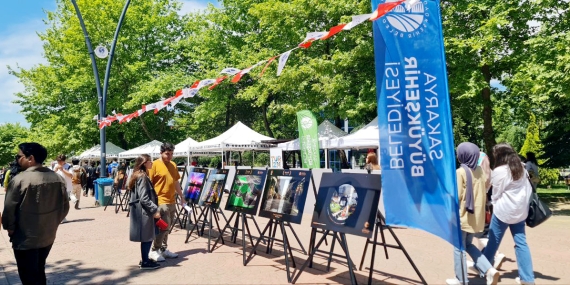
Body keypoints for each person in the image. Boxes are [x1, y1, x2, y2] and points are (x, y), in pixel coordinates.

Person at [2, 142, 70, 284]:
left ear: (30, 158)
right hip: (47, 236)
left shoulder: (20, 180)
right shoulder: (57, 178)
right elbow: (65, 208)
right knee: (39, 269)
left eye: (19, 156)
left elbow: (9, 210)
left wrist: (10, 229)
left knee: (28, 275)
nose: (17, 159)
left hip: (25, 239)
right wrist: (52, 223)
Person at [446, 142, 499, 285]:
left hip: (462, 215)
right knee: (468, 245)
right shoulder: (479, 171)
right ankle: (489, 269)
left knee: (459, 247)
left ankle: (461, 279)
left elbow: (456, 196)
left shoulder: (460, 172)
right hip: (476, 216)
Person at [483, 143, 534, 285]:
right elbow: (528, 190)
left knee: (493, 242)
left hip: (503, 212)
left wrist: (493, 204)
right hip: (520, 212)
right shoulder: (522, 168)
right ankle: (527, 278)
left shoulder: (499, 171)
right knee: (521, 243)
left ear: (499, 155)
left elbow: (496, 193)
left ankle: (483, 269)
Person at [148, 142, 186, 262]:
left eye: (171, 154)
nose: (169, 156)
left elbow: (175, 182)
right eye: (167, 154)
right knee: (163, 227)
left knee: (168, 227)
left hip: (171, 200)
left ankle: (163, 249)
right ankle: (154, 250)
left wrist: (181, 196)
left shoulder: (173, 165)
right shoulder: (154, 165)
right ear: (161, 153)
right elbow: (149, 184)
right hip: (160, 201)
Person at [128, 154, 162, 270]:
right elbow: (144, 198)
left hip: (140, 211)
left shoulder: (137, 175)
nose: (152, 163)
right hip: (144, 212)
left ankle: (145, 259)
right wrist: (154, 209)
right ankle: (145, 262)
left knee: (147, 237)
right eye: (149, 161)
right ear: (144, 163)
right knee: (148, 237)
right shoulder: (142, 176)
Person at [54, 154, 74, 221]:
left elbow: (71, 175)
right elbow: (52, 174)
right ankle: (60, 217)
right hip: (57, 186)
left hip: (66, 186)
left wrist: (62, 170)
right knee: (58, 202)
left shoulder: (69, 166)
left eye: (60, 161)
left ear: (64, 161)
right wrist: (55, 170)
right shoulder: (56, 165)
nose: (59, 163)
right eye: (58, 161)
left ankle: (63, 217)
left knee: (63, 202)